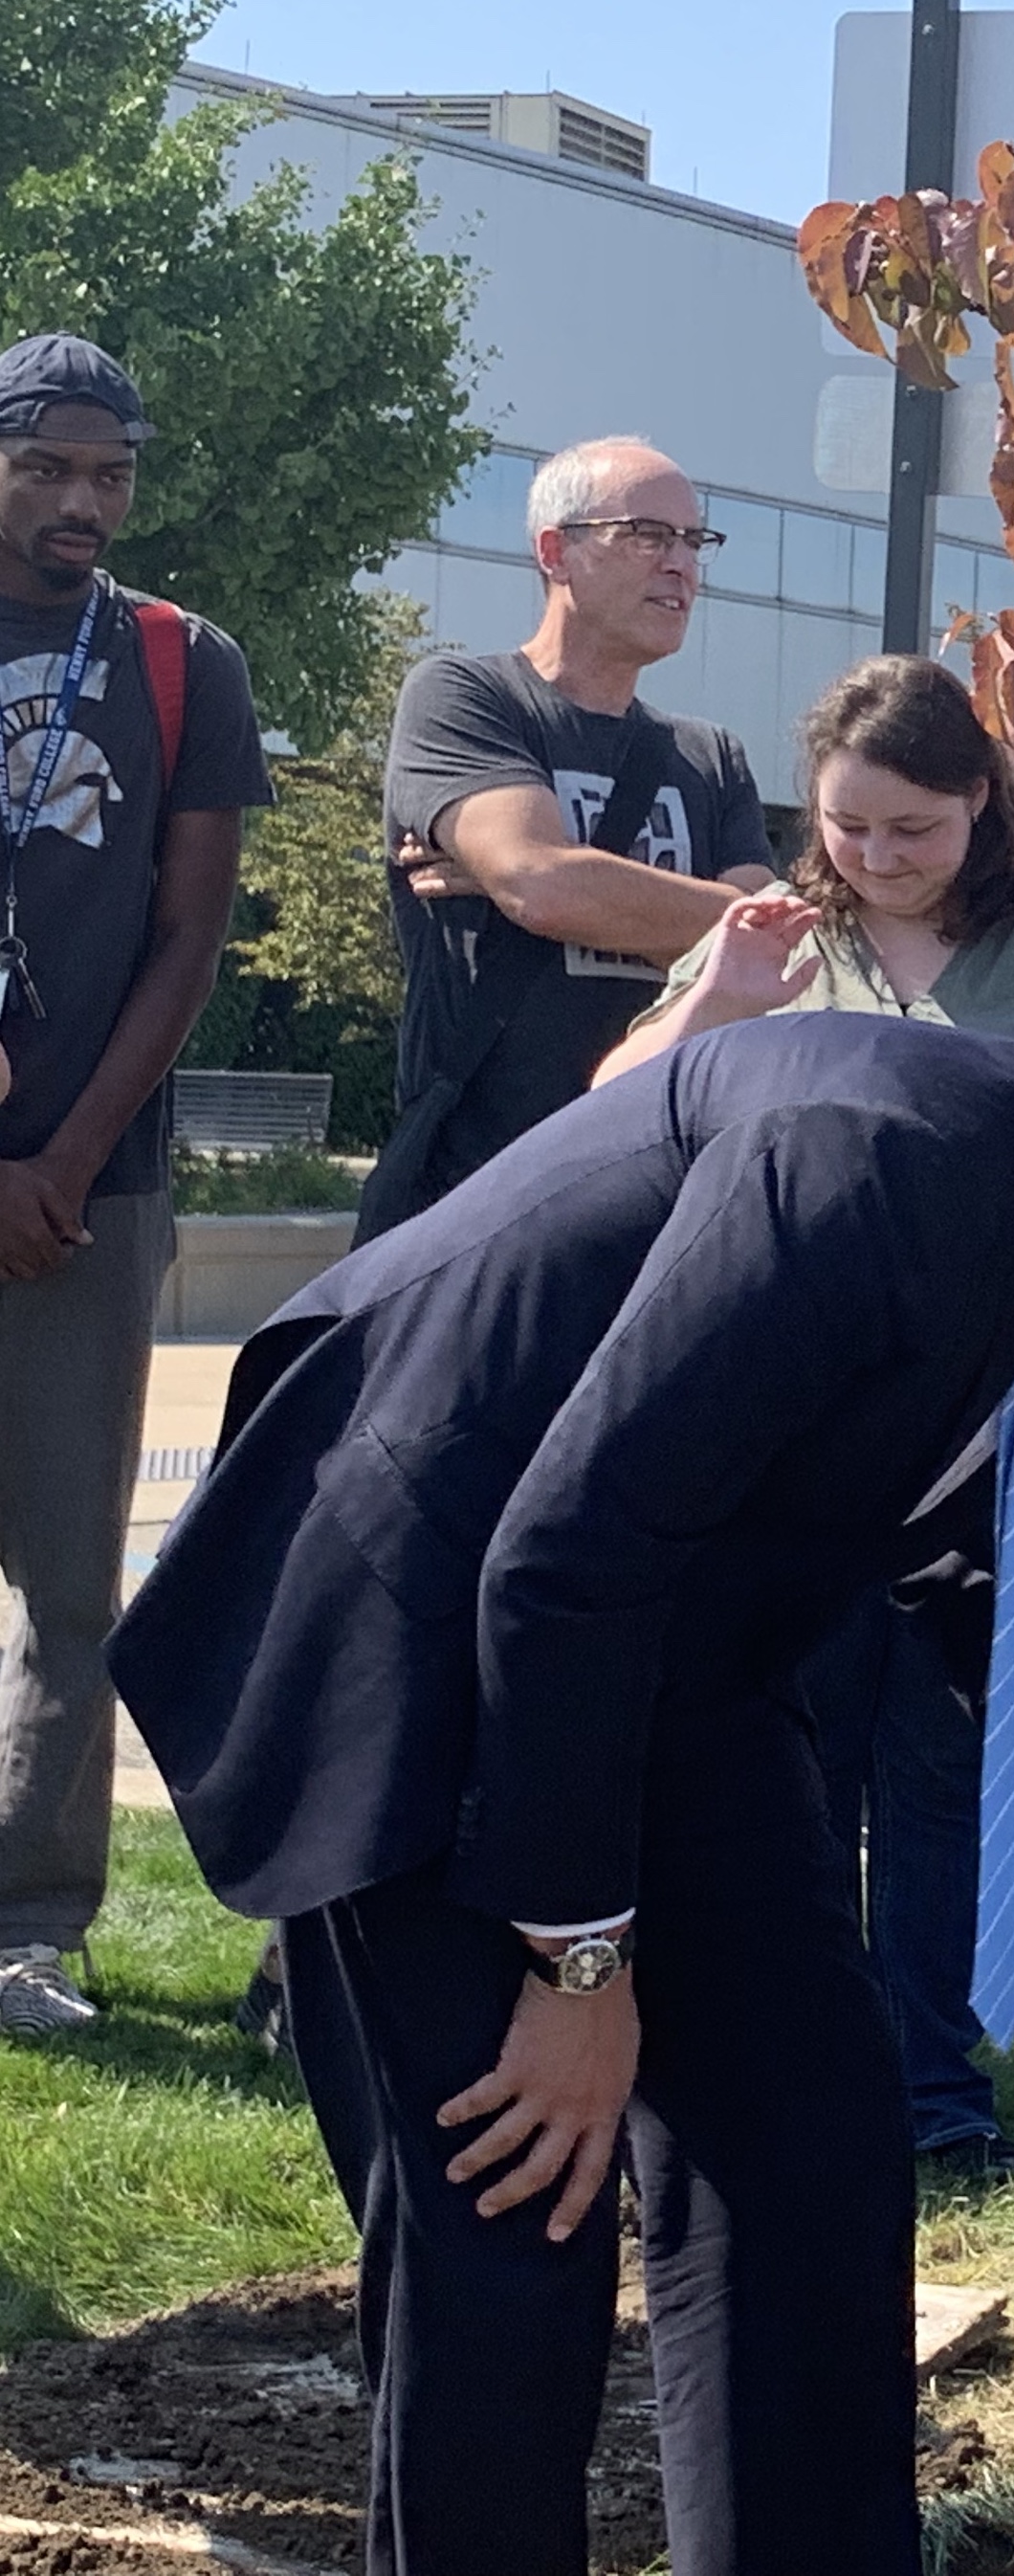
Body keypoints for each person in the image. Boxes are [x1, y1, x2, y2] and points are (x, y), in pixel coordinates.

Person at [106, 1019, 1014, 2576]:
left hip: (654, 1636)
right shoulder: (876, 1171)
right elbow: (563, 1554)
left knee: (810, 2137)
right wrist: (580, 1965)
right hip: (415, 1604)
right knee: (515, 2208)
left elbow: (867, 1453)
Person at [596, 651, 1014, 2166]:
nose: (874, 858)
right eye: (850, 827)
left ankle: (934, 2086)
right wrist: (719, 999)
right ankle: (801, 2062)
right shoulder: (774, 941)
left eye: (911, 830)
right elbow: (613, 1120)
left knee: (954, 1736)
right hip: (803, 1420)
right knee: (802, 1735)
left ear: (979, 807)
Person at [0, 333, 271, 2039]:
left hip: (89, 1191)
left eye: (113, 473)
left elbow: (192, 933)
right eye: (50, 468)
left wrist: (68, 1158)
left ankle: (32, 1925)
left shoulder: (181, 660)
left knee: (67, 1579)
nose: (87, 500)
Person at [358, 434, 774, 1236]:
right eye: (648, 535)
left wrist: (562, 879)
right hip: (476, 1194)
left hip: (661, 1189)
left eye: (695, 541)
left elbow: (775, 951)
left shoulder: (710, 756)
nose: (681, 565)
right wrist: (548, 883)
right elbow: (539, 883)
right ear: (556, 552)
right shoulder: (466, 698)